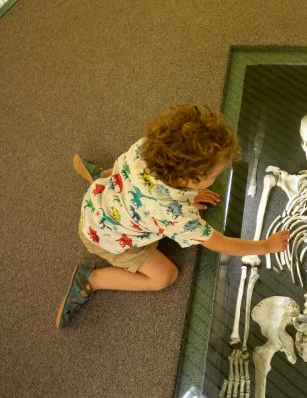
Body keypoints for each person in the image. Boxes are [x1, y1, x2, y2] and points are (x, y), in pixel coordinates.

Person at [56, 104, 290, 328]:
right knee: (164, 276)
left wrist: (189, 193)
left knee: (119, 175)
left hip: (100, 198)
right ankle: (93, 280)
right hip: (105, 239)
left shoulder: (145, 148)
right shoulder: (176, 216)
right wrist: (267, 246)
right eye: (214, 174)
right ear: (189, 179)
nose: (217, 177)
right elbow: (221, 243)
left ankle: (98, 176)